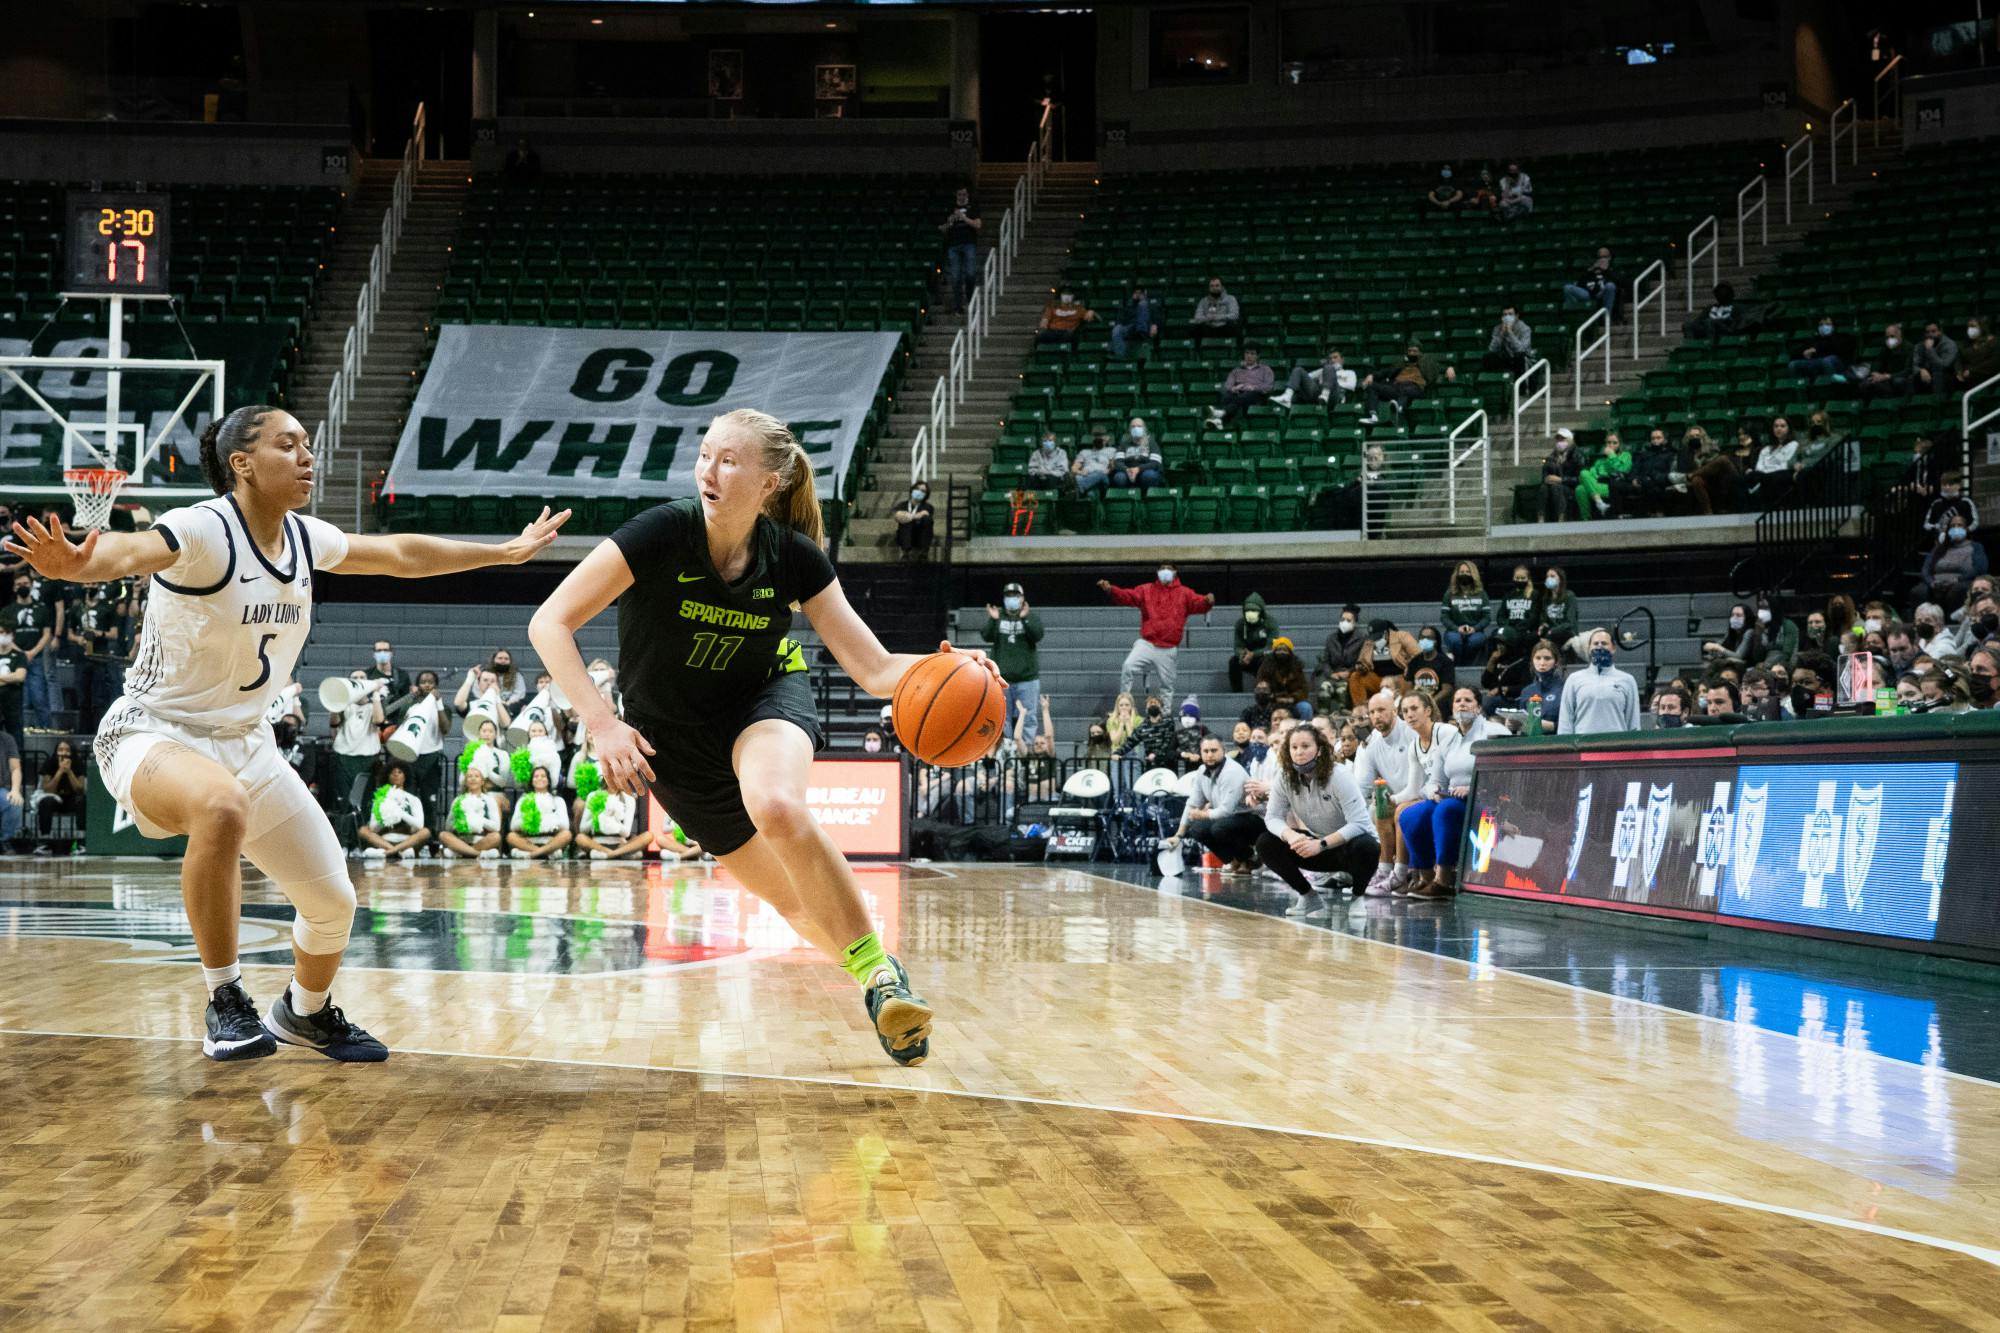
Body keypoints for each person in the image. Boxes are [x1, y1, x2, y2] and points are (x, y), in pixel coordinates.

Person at [4, 404, 565, 1063]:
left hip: (246, 742)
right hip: (151, 736)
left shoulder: (303, 538)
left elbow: (400, 554)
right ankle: (225, 997)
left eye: (308, 445)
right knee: (219, 805)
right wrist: (76, 565)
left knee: (332, 903)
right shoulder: (203, 527)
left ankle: (306, 1011)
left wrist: (503, 551)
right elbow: (133, 551)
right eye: (288, 445)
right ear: (243, 463)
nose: (308, 457)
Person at [526, 408, 999, 1067]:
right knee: (787, 898)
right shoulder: (661, 533)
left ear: (769, 482)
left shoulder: (796, 558)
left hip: (763, 696)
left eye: (729, 460)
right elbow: (549, 622)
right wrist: (602, 722)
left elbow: (873, 667)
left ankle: (883, 977)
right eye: (706, 455)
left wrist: (950, 667)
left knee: (776, 803)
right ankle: (878, 980)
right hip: (674, 742)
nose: (708, 471)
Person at [1258, 719, 1380, 916]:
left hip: (1348, 848)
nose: (1299, 752)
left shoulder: (1339, 775)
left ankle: (1358, 898)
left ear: (1320, 749)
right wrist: (1291, 836)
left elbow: (1360, 824)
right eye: (1294, 747)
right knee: (1266, 842)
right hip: (1318, 846)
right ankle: (1308, 897)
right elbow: (1272, 817)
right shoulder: (1284, 777)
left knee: (1367, 846)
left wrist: (1320, 844)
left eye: (1305, 746)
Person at [1099, 563, 1213, 703]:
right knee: (1128, 666)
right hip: (1147, 643)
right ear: (1157, 572)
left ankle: (1165, 716)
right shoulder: (1146, 590)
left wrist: (1207, 602)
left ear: (1175, 572)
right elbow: (1128, 596)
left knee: (1167, 686)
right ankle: (1123, 705)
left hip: (1169, 648)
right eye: (1162, 569)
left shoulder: (1185, 593)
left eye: (1169, 569)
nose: (1165, 571)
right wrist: (1111, 590)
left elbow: (1199, 603)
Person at [1397, 694, 1472, 897]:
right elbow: (1424, 784)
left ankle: (1443, 878)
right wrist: (1432, 791)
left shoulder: (1446, 733)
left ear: (1428, 710)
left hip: (1460, 793)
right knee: (1406, 814)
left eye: (1414, 708)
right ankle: (1424, 876)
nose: (1410, 715)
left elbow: (1456, 767)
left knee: (1441, 810)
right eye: (1405, 711)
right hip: (1441, 792)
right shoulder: (1414, 745)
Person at [1166, 734, 1262, 873]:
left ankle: (1250, 858)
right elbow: (1192, 804)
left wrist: (1202, 814)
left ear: (1224, 750)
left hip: (1255, 819)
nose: (1209, 755)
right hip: (1231, 820)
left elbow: (1226, 811)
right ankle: (1234, 860)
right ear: (1200, 752)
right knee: (1197, 829)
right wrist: (1178, 835)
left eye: (1214, 750)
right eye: (1206, 751)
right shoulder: (1201, 771)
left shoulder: (1232, 772)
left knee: (1219, 827)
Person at [982, 582, 1044, 743]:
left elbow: (1037, 635)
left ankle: (1027, 754)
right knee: (1003, 717)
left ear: (1022, 598)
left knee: (1029, 717)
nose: (1012, 599)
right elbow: (986, 636)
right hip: (1003, 679)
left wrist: (1025, 619)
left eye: (1015, 596)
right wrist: (993, 620)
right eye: (1009, 596)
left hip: (1027, 678)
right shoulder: (998, 616)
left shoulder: (1031, 616)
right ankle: (1007, 752)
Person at [1558, 629, 1641, 734]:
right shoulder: (1574, 679)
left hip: (1617, 745)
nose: (1599, 646)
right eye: (1595, 643)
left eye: (1604, 643)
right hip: (1583, 745)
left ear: (1613, 648)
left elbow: (1633, 722)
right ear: (1589, 649)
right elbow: (1566, 719)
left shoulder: (1627, 680)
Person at [328, 669, 386, 817]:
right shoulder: (344, 704)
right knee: (344, 800)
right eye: (355, 677)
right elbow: (334, 723)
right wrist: (335, 702)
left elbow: (379, 721)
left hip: (368, 758)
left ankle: (363, 836)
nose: (359, 679)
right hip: (344, 757)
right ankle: (345, 836)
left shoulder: (376, 702)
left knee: (366, 799)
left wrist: (375, 694)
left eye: (362, 677)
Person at [1360, 340, 1454, 425]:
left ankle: (1398, 411)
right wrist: (1372, 375)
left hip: (1415, 388)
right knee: (1373, 386)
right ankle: (1373, 416)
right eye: (1410, 351)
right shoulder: (1401, 363)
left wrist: (1449, 368)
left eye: (1414, 351)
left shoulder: (1427, 361)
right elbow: (1386, 371)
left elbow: (1440, 367)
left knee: (1405, 390)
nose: (1412, 353)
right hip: (1396, 387)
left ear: (1420, 352)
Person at [7, 574, 54, 732]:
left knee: (39, 695)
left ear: (32, 585)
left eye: (25, 583)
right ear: (14, 587)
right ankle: (19, 730)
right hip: (13, 658)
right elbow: (3, 635)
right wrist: (21, 653)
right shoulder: (8, 610)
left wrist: (32, 652)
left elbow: (47, 633)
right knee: (18, 699)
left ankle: (45, 729)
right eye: (19, 584)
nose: (22, 586)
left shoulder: (41, 608)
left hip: (37, 656)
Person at [358, 761, 430, 861]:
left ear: (405, 777)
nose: (396, 774)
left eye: (399, 772)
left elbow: (419, 825)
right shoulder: (380, 799)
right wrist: (387, 817)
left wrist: (400, 813)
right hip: (384, 841)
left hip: (406, 841)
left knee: (425, 832)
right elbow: (373, 828)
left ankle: (389, 853)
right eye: (392, 772)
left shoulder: (413, 799)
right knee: (363, 830)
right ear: (387, 776)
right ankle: (396, 851)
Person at [29, 736, 85, 855]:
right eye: (60, 749)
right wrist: (60, 771)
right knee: (46, 802)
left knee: (82, 800)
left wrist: (69, 772)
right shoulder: (49, 762)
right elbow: (48, 789)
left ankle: (81, 842)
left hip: (72, 798)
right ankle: (45, 842)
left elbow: (80, 789)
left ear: (72, 752)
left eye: (67, 750)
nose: (63, 753)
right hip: (54, 798)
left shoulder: (78, 762)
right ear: (56, 751)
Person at [1920, 521, 1989, 614]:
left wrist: (1957, 580)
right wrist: (1931, 582)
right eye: (1952, 526)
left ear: (1966, 529)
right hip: (1936, 583)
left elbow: (1980, 568)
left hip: (1962, 581)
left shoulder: (1975, 547)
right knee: (1919, 592)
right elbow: (1925, 569)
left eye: (1960, 525)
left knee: (1957, 591)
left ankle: (1953, 622)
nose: (1956, 528)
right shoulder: (1939, 548)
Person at [439, 765, 505, 861]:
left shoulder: (489, 800)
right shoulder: (458, 800)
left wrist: (476, 817)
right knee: (443, 835)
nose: (473, 779)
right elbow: (448, 826)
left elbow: (496, 827)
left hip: (482, 840)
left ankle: (461, 852)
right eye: (470, 776)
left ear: (482, 782)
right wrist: (460, 821)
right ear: (466, 782)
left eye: (476, 776)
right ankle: (477, 853)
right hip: (461, 839)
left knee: (496, 837)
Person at [506, 764, 572, 860]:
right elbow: (513, 826)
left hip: (550, 840)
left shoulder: (557, 800)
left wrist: (546, 820)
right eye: (536, 776)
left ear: (548, 781)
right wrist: (530, 821)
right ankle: (544, 853)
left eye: (543, 776)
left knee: (567, 834)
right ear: (532, 781)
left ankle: (533, 854)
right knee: (511, 836)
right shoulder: (524, 800)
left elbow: (565, 825)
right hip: (528, 840)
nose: (539, 779)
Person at [940, 186, 981, 316]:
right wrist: (949, 222)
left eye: (964, 194)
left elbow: (978, 225)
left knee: (970, 274)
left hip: (969, 244)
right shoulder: (950, 208)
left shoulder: (972, 207)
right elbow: (942, 228)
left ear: (967, 195)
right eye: (959, 194)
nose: (962, 197)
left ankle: (970, 299)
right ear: (956, 195)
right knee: (956, 277)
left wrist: (964, 218)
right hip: (954, 245)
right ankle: (958, 306)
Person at [1208, 346, 1274, 426]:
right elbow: (1228, 384)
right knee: (1228, 395)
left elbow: (1269, 386)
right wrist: (1234, 388)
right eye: (1247, 353)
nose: (1249, 356)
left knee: (1245, 396)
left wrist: (1254, 387)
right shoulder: (1237, 370)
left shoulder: (1265, 369)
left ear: (1258, 356)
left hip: (1257, 395)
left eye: (1252, 354)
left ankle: (1221, 414)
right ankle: (1219, 420)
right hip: (1240, 393)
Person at [1275, 347, 1356, 410]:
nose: (1332, 360)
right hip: (1318, 395)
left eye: (1335, 357)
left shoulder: (1349, 372)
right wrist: (1318, 382)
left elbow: (1351, 386)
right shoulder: (1323, 370)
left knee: (1329, 369)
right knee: (1298, 370)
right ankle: (1287, 397)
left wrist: (1329, 382)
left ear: (1342, 360)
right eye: (1330, 358)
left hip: (1335, 396)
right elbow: (1307, 377)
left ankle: (1325, 394)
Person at [1316, 604, 1366, 704]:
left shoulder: (1361, 639)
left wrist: (1349, 672)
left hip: (1349, 676)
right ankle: (1323, 715)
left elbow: (1362, 661)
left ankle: (1343, 712)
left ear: (1355, 623)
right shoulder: (1331, 638)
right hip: (1333, 675)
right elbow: (1325, 661)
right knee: (1324, 688)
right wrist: (1330, 673)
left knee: (1341, 690)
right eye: (1342, 619)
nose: (1344, 623)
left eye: (1348, 620)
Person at [1786, 314, 1858, 381]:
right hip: (1815, 362)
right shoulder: (1814, 340)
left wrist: (1816, 349)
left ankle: (1832, 386)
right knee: (1793, 365)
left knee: (1827, 361)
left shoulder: (1842, 337)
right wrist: (1803, 353)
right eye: (1821, 325)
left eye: (1827, 324)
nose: (1824, 327)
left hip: (1838, 364)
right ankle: (1801, 388)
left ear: (1833, 327)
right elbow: (1795, 354)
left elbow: (1838, 349)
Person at [1230, 592, 1277, 692]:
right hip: (1246, 656)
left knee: (1265, 661)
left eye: (1254, 610)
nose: (1250, 613)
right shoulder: (1240, 624)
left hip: (1262, 655)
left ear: (1261, 611)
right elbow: (1237, 645)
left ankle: (1262, 690)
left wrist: (1254, 654)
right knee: (1233, 662)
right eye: (1248, 610)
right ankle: (1237, 691)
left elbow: (1271, 646)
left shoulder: (1270, 623)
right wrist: (1241, 655)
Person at [1576, 431, 1629, 519]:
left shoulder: (1626, 456)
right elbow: (1590, 475)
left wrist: (1611, 455)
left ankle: (1597, 506)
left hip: (1612, 486)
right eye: (1609, 443)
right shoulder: (1600, 461)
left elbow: (1622, 469)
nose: (1611, 445)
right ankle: (1588, 518)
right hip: (1597, 484)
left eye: (1614, 443)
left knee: (1583, 485)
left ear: (1619, 444)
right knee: (1580, 488)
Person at [1562, 247, 1620, 319]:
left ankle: (1606, 317)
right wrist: (1590, 270)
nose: (1602, 259)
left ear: (1610, 257)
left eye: (1605, 257)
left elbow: (1619, 282)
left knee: (1610, 286)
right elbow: (1580, 284)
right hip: (1588, 293)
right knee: (1567, 288)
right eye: (1600, 257)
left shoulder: (1613, 268)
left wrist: (1606, 270)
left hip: (1602, 293)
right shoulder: (1592, 268)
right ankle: (1575, 315)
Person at [1538, 428, 1582, 523]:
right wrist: (1546, 479)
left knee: (1556, 487)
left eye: (1562, 439)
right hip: (1555, 485)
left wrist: (1561, 480)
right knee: (1544, 488)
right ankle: (1541, 517)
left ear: (1570, 440)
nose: (1559, 442)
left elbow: (1580, 478)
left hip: (1572, 487)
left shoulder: (1578, 455)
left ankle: (1561, 517)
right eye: (1558, 439)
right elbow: (1545, 475)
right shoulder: (1552, 456)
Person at [1110, 418, 1165, 492]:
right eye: (1133, 426)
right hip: (1128, 471)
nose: (1136, 428)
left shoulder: (1151, 443)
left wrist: (1138, 469)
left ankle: (1147, 497)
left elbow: (1155, 463)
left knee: (1149, 476)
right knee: (1119, 477)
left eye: (1139, 426)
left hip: (1146, 471)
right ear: (1129, 429)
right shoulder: (1124, 444)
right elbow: (1118, 462)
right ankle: (1126, 499)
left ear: (1144, 429)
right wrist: (1127, 470)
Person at [1254, 636, 1309, 707]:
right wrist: (1274, 697)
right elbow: (1260, 685)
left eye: (1285, 650)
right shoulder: (1266, 667)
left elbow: (1303, 689)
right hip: (1272, 701)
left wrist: (1292, 698)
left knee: (1305, 707)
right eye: (1279, 650)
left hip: (1292, 701)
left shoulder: (1296, 667)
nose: (1282, 652)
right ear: (1274, 652)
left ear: (1290, 652)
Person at [1536, 567, 1581, 654]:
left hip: (1566, 631)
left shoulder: (1569, 596)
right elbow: (1544, 619)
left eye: (1552, 576)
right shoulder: (1546, 599)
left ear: (1560, 579)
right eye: (1547, 576)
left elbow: (1570, 622)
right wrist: (1542, 626)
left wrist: (1552, 631)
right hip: (1551, 632)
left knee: (1550, 638)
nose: (1549, 579)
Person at [1483, 305, 1536, 378]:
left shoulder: (1525, 329)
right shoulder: (1497, 328)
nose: (1507, 317)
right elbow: (1492, 349)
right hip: (1506, 357)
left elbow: (1521, 350)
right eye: (1505, 315)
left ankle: (1521, 388)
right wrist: (1501, 333)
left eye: (1510, 314)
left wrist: (1510, 332)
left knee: (1519, 357)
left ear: (1517, 316)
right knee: (1489, 357)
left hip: (1523, 359)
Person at [1107, 283, 1159, 359]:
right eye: (1136, 293)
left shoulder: (1151, 306)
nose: (1138, 295)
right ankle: (1120, 356)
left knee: (1143, 304)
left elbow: (1159, 318)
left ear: (1145, 293)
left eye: (1140, 293)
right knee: (1116, 329)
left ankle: (1141, 333)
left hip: (1147, 328)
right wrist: (1120, 326)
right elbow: (1119, 320)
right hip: (1131, 328)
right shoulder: (1127, 306)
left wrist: (1155, 325)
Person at [1188, 276, 1241, 346]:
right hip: (1209, 328)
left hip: (1224, 327)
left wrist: (1217, 317)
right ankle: (1197, 354)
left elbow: (1235, 315)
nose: (1214, 288)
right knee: (1194, 328)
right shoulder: (1203, 301)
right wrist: (1207, 318)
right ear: (1209, 288)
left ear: (1222, 287)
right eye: (1212, 286)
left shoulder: (1230, 299)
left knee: (1235, 326)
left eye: (1217, 285)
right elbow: (1197, 317)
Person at [891, 480, 934, 562]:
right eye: (917, 489)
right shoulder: (903, 504)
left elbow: (926, 515)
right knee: (905, 522)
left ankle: (923, 553)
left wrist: (907, 515)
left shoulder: (928, 506)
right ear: (912, 490)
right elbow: (897, 516)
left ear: (926, 495)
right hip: (905, 536)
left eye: (923, 491)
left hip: (920, 536)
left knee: (927, 520)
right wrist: (915, 516)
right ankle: (906, 553)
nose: (919, 492)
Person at [1914, 321, 1959, 395]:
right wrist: (1920, 370)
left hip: (1946, 375)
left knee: (1938, 375)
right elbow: (1914, 364)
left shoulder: (1950, 344)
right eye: (1927, 332)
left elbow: (1944, 365)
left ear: (1940, 331)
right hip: (1926, 374)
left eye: (1933, 331)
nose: (1930, 334)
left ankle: (1938, 403)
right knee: (1911, 378)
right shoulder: (1919, 346)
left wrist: (1930, 350)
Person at [1070, 431, 1118, 498]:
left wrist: (1109, 470)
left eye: (1101, 436)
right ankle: (1080, 490)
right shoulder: (1084, 452)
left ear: (1106, 438)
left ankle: (1078, 488)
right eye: (1096, 436)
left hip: (1102, 477)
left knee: (1099, 474)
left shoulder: (1112, 450)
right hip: (1086, 476)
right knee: (1091, 494)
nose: (1098, 438)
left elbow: (1114, 466)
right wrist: (1080, 472)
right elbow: (1074, 468)